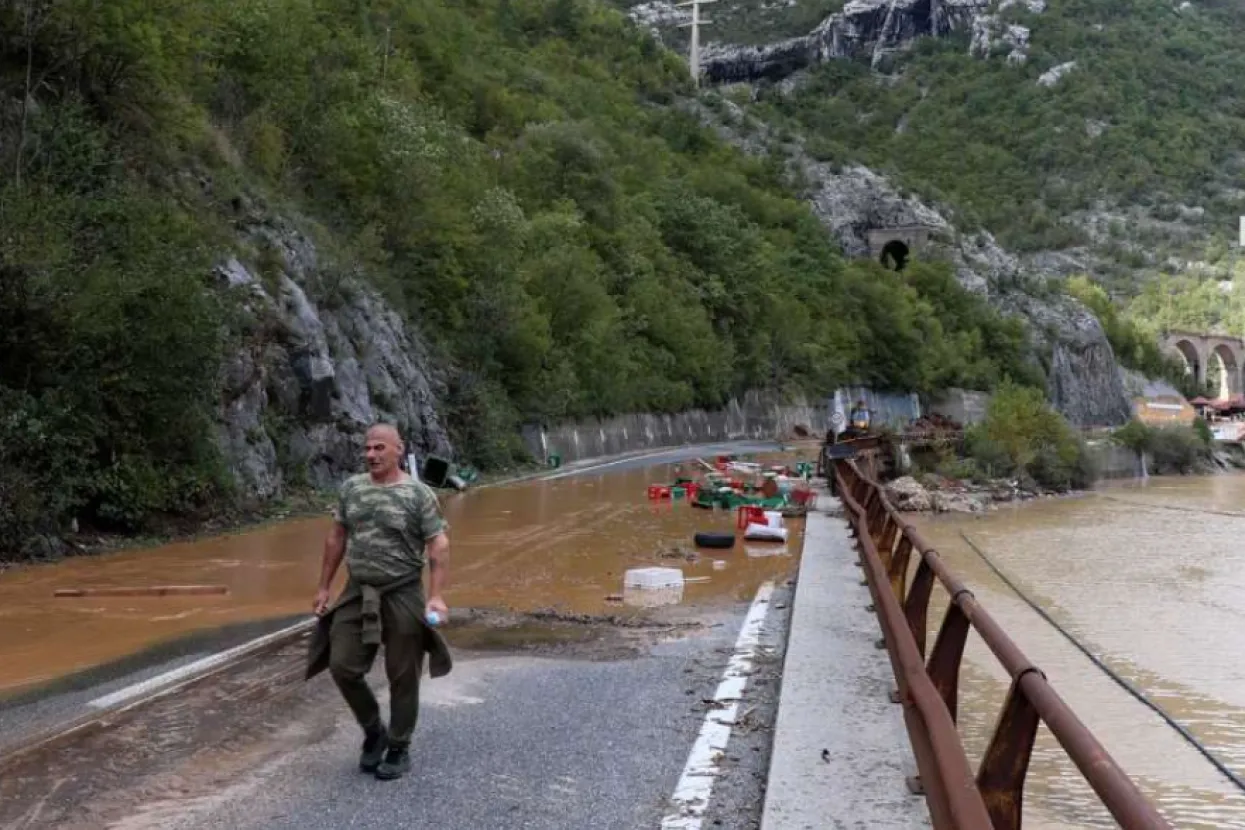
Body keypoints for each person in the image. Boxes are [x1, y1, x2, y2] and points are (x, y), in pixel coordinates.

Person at [311, 423, 451, 781]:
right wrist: (324, 587)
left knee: (403, 674)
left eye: (379, 448)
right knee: (342, 665)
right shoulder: (352, 489)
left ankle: (399, 746)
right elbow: (336, 537)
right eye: (367, 448)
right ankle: (375, 731)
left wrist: (435, 595)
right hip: (358, 590)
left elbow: (438, 544)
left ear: (398, 449)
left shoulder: (418, 494)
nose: (371, 455)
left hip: (402, 590)